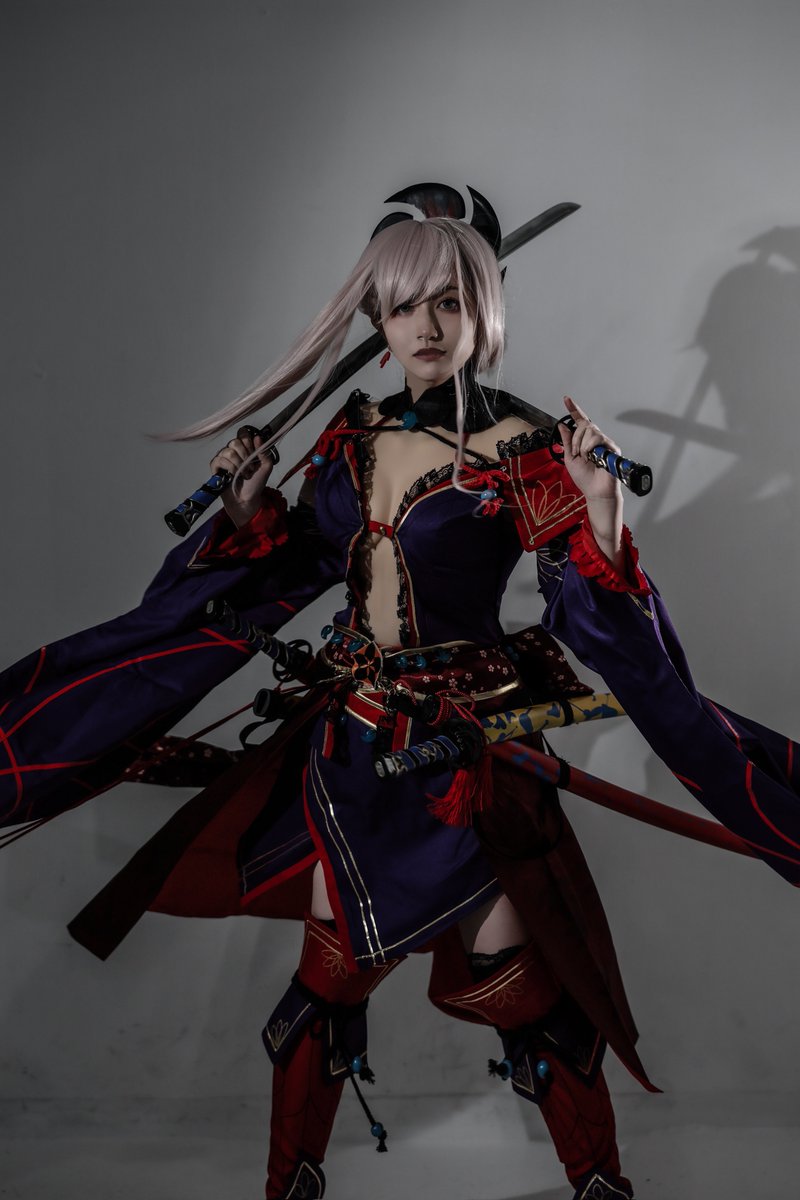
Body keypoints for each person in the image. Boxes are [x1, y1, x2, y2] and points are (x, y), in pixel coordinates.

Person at [3, 191, 800, 1200]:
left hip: (468, 753)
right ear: (376, 319)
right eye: (402, 305)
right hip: (352, 744)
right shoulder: (351, 439)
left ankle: (599, 1184)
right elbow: (298, 564)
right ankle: (289, 1182)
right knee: (329, 982)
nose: (425, 326)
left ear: (484, 310)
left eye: (449, 302)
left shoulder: (526, 448)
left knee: (524, 992)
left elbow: (589, 616)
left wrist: (598, 519)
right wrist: (246, 515)